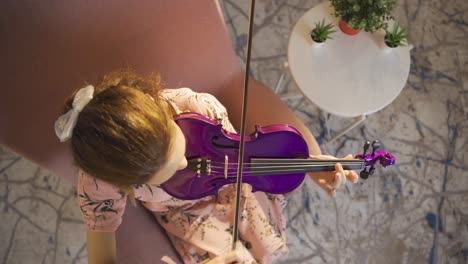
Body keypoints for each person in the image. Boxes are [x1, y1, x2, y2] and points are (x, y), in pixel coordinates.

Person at [55, 70, 358, 264]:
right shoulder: (99, 181)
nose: (188, 164)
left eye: (180, 150)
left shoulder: (194, 108)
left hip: (232, 183)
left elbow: (243, 155)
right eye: (171, 170)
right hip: (185, 216)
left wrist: (308, 165)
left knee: (264, 243)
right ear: (127, 184)